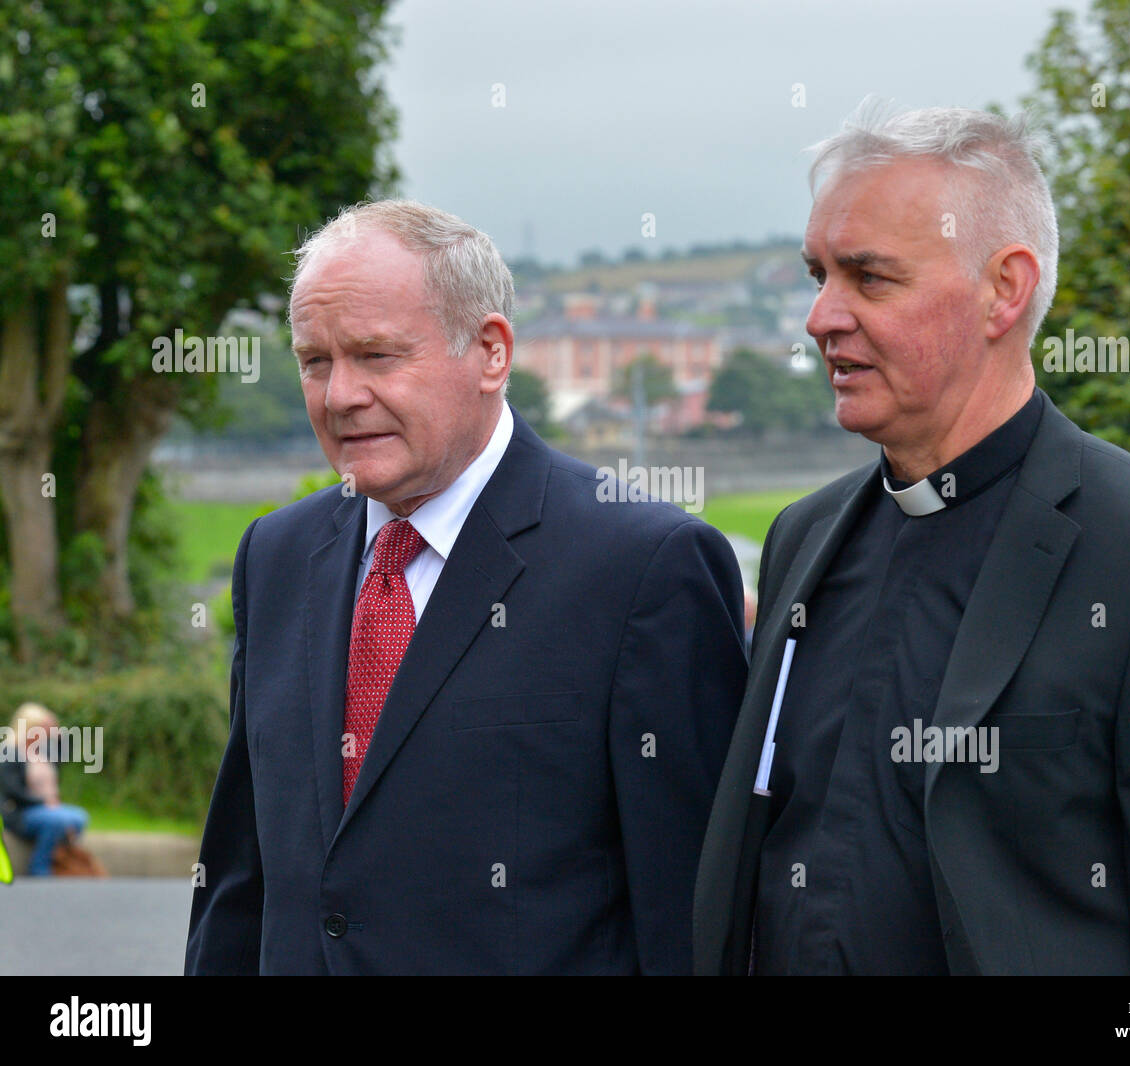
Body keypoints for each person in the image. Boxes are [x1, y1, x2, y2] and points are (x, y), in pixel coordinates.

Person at [693, 102, 1130, 975]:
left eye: (870, 278)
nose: (822, 317)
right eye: (818, 274)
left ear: (1004, 289)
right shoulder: (804, 536)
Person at [185, 200, 747, 975]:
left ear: (490, 352)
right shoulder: (275, 555)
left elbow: (689, 913)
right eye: (316, 361)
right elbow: (241, 879)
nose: (340, 394)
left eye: (377, 356)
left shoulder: (645, 567)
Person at [0, 703, 90, 876]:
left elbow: (66, 755)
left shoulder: (43, 750)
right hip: (21, 811)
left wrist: (58, 733)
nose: (45, 731)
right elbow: (11, 790)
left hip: (48, 809)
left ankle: (56, 856)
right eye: (42, 727)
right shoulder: (10, 751)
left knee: (79, 817)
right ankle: (39, 867)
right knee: (57, 821)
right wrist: (42, 802)